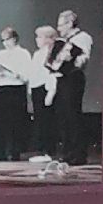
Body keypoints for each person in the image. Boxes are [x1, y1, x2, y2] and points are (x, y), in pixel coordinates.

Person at [52, 11, 96, 164]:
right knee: (63, 115)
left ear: (70, 23)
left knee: (73, 114)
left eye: (61, 24)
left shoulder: (82, 37)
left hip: (73, 78)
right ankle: (66, 152)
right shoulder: (62, 40)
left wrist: (70, 58)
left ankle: (78, 154)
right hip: (62, 78)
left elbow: (83, 59)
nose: (58, 28)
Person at [0, 27, 36, 161]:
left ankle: (14, 152)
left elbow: (26, 73)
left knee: (16, 122)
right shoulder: (0, 54)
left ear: (14, 39)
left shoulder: (23, 53)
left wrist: (15, 74)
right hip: (2, 88)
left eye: (7, 39)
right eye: (3, 40)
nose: (5, 43)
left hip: (16, 89)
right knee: (0, 122)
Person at [29, 26, 60, 159]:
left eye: (40, 37)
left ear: (49, 39)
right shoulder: (37, 54)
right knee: (39, 121)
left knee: (47, 121)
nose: (37, 40)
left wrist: (51, 92)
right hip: (36, 88)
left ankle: (48, 151)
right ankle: (41, 151)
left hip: (45, 89)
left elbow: (51, 74)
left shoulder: (51, 53)